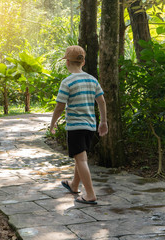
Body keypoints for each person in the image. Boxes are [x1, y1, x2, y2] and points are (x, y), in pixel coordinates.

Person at [50, 45, 108, 205]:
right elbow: (101, 101)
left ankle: (90, 194)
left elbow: (59, 107)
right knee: (80, 156)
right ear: (83, 62)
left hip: (75, 127)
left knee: (81, 159)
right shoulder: (92, 80)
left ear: (67, 62)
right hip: (90, 126)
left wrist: (53, 123)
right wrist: (103, 121)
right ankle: (74, 185)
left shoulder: (67, 82)